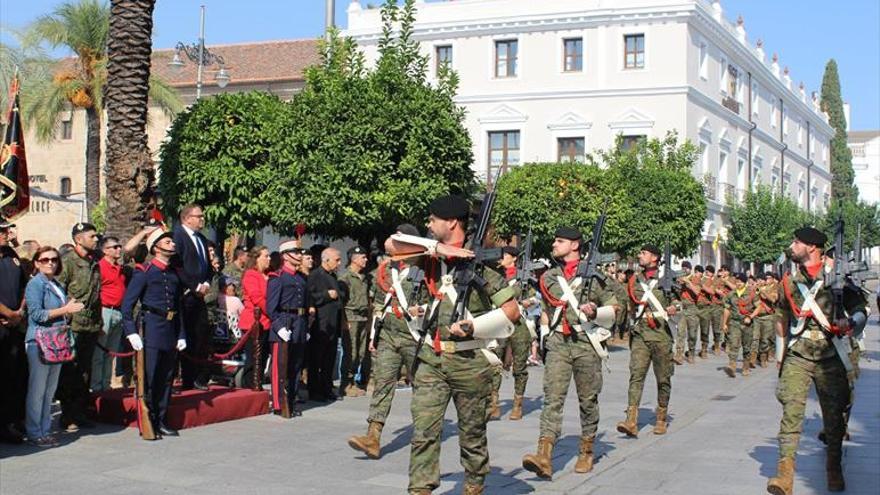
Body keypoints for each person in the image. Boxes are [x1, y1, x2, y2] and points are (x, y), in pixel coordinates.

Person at [389, 195, 520, 495]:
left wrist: (475, 326)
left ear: (451, 222)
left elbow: (511, 311)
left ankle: (474, 484)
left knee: (472, 433)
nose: (428, 223)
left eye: (433, 219)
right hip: (431, 361)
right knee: (423, 432)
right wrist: (438, 247)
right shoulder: (428, 258)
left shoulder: (484, 268)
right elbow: (391, 244)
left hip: (469, 362)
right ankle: (420, 489)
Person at [767, 227, 867, 494]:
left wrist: (851, 322)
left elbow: (860, 309)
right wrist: (780, 354)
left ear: (812, 247)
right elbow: (781, 316)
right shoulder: (789, 280)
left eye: (797, 241)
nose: (792, 244)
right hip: (798, 352)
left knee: (834, 415)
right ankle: (784, 475)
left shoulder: (838, 277)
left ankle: (833, 467)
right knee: (791, 411)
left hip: (830, 354)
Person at [521, 227, 618, 479]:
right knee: (552, 397)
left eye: (559, 241)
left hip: (586, 342)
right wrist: (542, 339)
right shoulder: (550, 277)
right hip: (558, 342)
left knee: (587, 399)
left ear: (574, 245)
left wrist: (596, 311)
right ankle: (544, 454)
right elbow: (545, 310)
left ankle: (586, 449)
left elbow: (615, 307)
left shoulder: (593, 277)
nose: (554, 244)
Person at [348, 224, 423, 459]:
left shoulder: (425, 268)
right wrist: (374, 336)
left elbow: (436, 301)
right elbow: (379, 306)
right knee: (383, 382)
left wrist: (421, 309)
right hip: (389, 334)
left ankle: (424, 431)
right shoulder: (385, 269)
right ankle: (373, 436)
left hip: (414, 335)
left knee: (423, 386)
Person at [122, 228, 187, 438]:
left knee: (167, 377)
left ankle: (161, 419)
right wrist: (131, 332)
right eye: (167, 242)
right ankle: (147, 421)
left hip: (169, 328)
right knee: (149, 377)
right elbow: (127, 305)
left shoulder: (174, 273)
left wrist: (182, 334)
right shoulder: (145, 272)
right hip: (151, 327)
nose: (173, 245)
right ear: (155, 248)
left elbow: (179, 307)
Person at [24, 246, 85, 447]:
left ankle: (44, 428)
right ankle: (35, 432)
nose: (50, 262)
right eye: (44, 259)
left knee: (49, 391)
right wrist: (64, 309)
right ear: (36, 263)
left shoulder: (55, 284)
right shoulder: (35, 284)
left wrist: (67, 309)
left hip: (56, 342)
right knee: (38, 390)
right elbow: (37, 314)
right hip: (39, 341)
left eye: (54, 259)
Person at [616, 244, 678, 439]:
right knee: (636, 375)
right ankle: (632, 420)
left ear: (654, 257)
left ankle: (661, 417)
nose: (639, 256)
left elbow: (680, 301)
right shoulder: (635, 279)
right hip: (641, 333)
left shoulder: (668, 279)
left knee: (663, 378)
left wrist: (675, 307)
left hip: (661, 334)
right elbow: (629, 303)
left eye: (643, 253)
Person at [56, 222, 102, 431]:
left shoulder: (95, 261)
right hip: (73, 325)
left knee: (85, 372)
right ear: (78, 239)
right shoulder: (67, 261)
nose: (96, 239)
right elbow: (58, 290)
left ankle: (81, 411)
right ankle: (68, 415)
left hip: (91, 324)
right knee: (71, 372)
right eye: (91, 236)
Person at [490, 245, 536, 421]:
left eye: (505, 255)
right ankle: (494, 403)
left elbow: (535, 297)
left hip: (518, 324)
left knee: (520, 366)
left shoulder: (521, 278)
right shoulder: (496, 275)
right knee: (495, 364)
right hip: (498, 323)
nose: (501, 258)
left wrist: (526, 301)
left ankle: (517, 404)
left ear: (514, 258)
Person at [266, 240, 309, 417]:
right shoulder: (277, 278)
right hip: (283, 322)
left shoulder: (300, 278)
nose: (299, 255)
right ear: (285, 255)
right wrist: (279, 327)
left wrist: (305, 327)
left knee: (296, 366)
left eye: (300, 252)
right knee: (280, 368)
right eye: (295, 252)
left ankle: (291, 401)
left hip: (298, 322)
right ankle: (278, 403)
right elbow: (270, 307)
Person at [172, 204, 213, 391]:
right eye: (199, 216)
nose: (202, 219)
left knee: (199, 337)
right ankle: (175, 378)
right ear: (187, 218)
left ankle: (194, 378)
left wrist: (206, 283)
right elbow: (177, 265)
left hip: (199, 295)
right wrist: (193, 285)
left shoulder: (202, 239)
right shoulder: (177, 236)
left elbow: (208, 265)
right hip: (184, 295)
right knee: (181, 337)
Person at [0, 221, 30, 444]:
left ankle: (9, 423)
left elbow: (24, 285)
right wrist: (8, 313)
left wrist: (18, 312)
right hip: (3, 321)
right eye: (1, 231)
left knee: (13, 376)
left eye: (5, 229)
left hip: (14, 325)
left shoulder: (12, 255)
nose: (5, 233)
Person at [307, 247, 346, 402]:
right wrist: (326, 295)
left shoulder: (333, 276)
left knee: (329, 358)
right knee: (316, 358)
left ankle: (326, 387)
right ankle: (314, 390)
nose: (339, 263)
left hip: (332, 323)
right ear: (326, 260)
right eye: (336, 260)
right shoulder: (315, 275)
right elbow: (310, 297)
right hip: (320, 324)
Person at [91, 236, 129, 392]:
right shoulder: (100, 267)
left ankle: (106, 384)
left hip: (118, 312)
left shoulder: (120, 268)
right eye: (114, 247)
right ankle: (96, 386)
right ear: (105, 250)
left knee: (111, 353)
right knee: (99, 352)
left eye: (119, 246)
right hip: (104, 311)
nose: (118, 249)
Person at [338, 246, 372, 397]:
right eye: (363, 257)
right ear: (354, 258)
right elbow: (341, 302)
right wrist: (344, 321)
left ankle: (354, 382)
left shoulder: (364, 278)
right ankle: (346, 383)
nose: (366, 260)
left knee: (361, 352)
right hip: (351, 317)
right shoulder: (345, 278)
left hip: (363, 318)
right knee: (350, 352)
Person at [239, 246, 272, 389]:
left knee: (263, 357)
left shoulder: (270, 275)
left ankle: (258, 383)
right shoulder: (251, 275)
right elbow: (257, 297)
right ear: (256, 258)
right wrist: (273, 311)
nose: (269, 258)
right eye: (266, 256)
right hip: (253, 322)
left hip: (268, 322)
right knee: (253, 358)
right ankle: (249, 386)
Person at [721, 273, 755, 378]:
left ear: (744, 283)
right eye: (737, 281)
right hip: (734, 322)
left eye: (740, 282)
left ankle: (745, 367)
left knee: (747, 347)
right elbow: (727, 309)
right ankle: (732, 366)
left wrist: (751, 317)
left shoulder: (751, 293)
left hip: (747, 324)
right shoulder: (731, 294)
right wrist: (724, 323)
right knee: (733, 344)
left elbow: (759, 307)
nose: (738, 283)